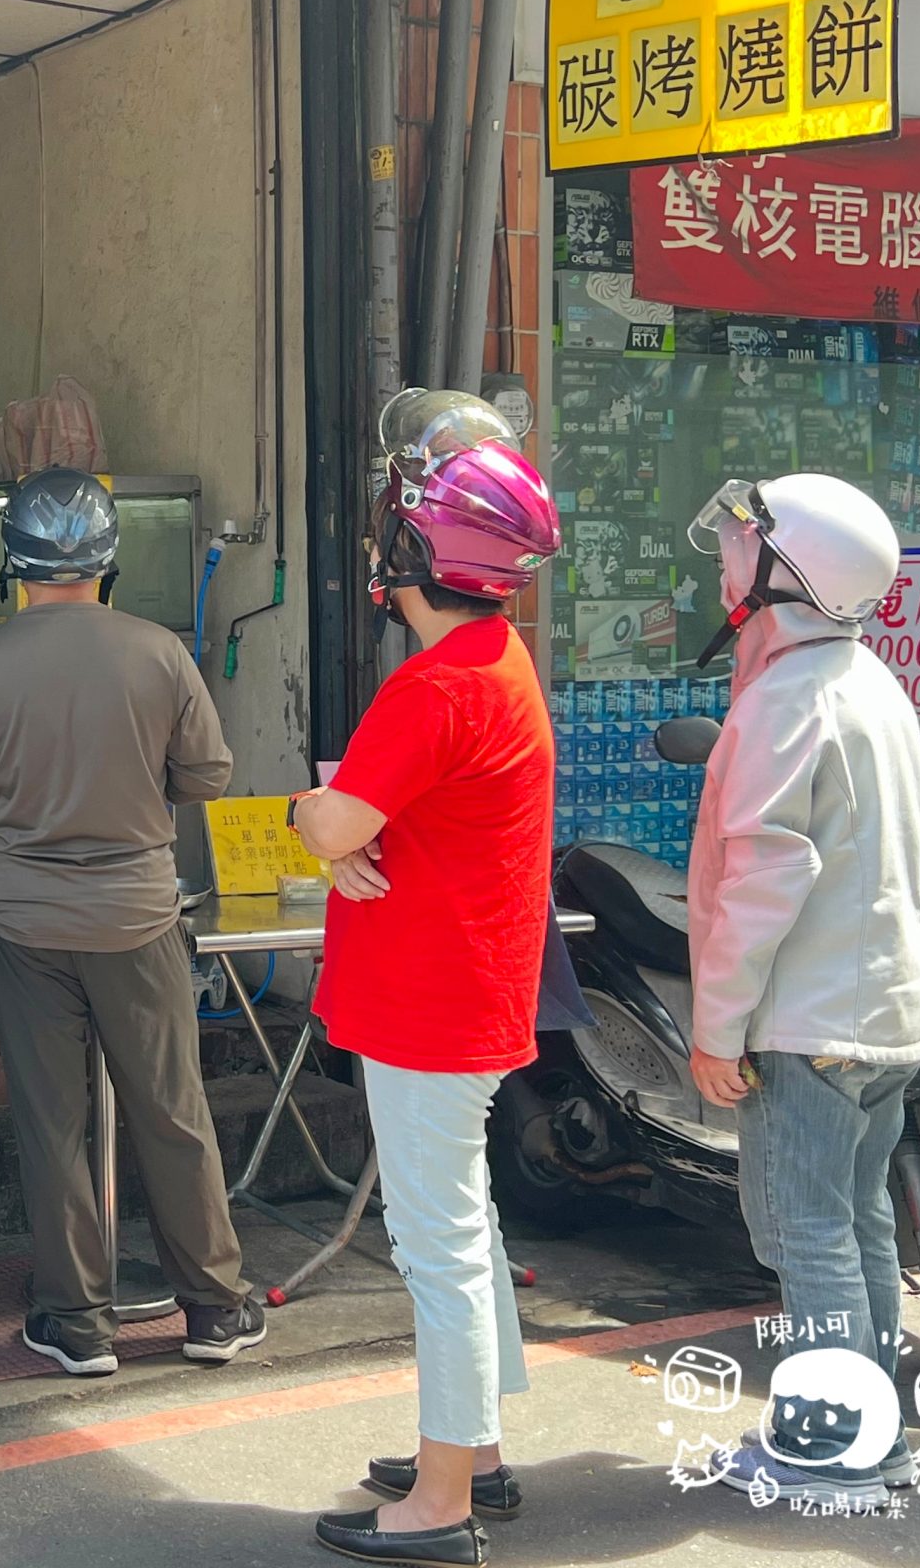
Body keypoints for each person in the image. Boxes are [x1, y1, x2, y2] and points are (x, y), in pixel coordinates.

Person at [292, 391, 562, 1568]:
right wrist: (345, 824)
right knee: (465, 1225)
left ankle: (440, 1496)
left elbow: (334, 815)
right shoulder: (493, 662)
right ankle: (475, 1452)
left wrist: (314, 811)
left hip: (427, 1003)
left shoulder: (437, 683)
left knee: (436, 1239)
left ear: (409, 549)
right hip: (468, 989)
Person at [0, 467, 264, 1378]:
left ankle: (77, 1320)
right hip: (138, 915)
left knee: (52, 1120)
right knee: (172, 1109)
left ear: (15, 564)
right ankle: (213, 1308)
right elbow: (207, 776)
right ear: (107, 561)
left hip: (24, 919)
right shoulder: (158, 652)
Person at [680, 473, 920, 1512]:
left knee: (809, 1233)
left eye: (745, 542)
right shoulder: (869, 683)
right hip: (884, 1018)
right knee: (857, 1219)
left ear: (792, 575)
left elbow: (761, 881)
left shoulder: (783, 699)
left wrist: (713, 1029)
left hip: (808, 1022)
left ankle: (830, 1450)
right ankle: (874, 1433)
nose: (729, 558)